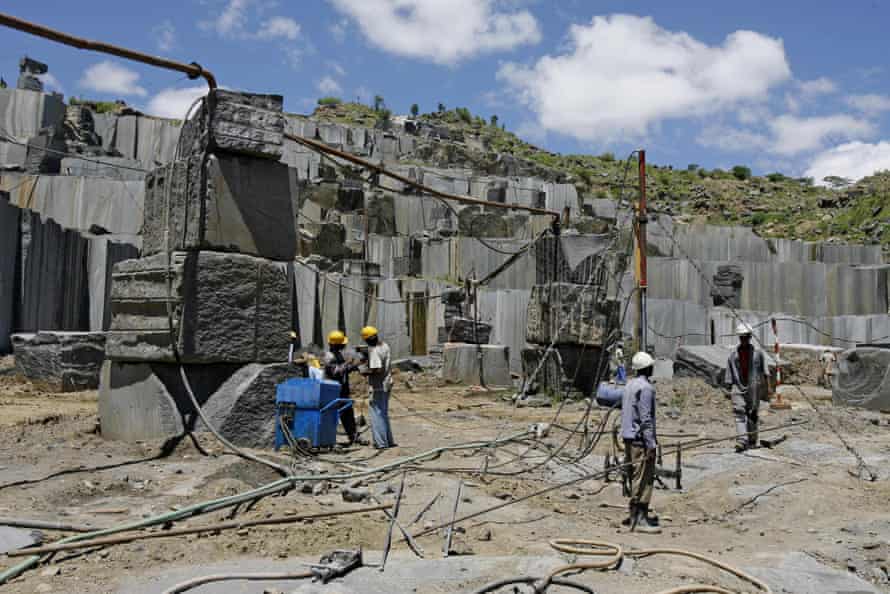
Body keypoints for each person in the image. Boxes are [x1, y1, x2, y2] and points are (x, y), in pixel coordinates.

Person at [620, 351, 661, 534]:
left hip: (629, 438)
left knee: (633, 475)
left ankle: (634, 515)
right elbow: (645, 419)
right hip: (640, 441)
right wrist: (651, 444)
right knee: (643, 479)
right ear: (647, 368)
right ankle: (639, 518)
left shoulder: (629, 385)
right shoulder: (646, 388)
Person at [724, 323, 769, 453]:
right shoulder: (733, 356)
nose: (743, 340)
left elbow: (765, 372)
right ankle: (742, 440)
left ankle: (752, 439)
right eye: (741, 337)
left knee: (753, 413)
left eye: (746, 337)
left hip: (753, 388)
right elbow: (729, 374)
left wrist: (767, 389)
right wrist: (728, 388)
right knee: (739, 413)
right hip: (738, 387)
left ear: (750, 337)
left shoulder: (757, 354)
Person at [322, 330, 367, 446]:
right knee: (331, 415)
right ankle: (327, 439)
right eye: (342, 343)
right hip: (332, 391)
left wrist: (355, 365)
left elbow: (344, 370)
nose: (344, 345)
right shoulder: (329, 357)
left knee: (348, 413)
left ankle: (353, 436)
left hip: (342, 389)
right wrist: (348, 364)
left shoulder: (338, 354)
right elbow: (336, 372)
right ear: (337, 344)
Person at [359, 326, 396, 449]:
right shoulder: (384, 345)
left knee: (376, 414)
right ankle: (388, 441)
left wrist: (364, 371)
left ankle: (380, 443)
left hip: (378, 386)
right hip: (387, 383)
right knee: (383, 413)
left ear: (367, 340)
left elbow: (377, 369)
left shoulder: (374, 351)